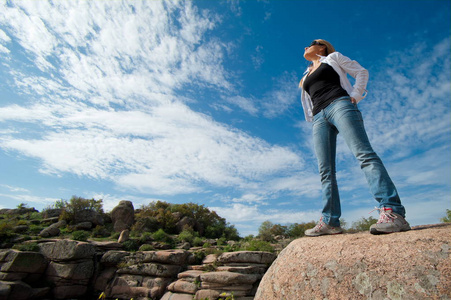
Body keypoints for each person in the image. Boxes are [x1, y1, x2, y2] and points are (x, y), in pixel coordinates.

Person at [298, 39, 411, 236]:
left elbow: (361, 72)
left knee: (364, 155)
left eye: (311, 43)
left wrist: (356, 95)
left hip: (339, 104)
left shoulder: (333, 58)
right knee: (325, 171)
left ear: (322, 46)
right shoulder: (305, 75)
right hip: (319, 117)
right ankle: (330, 222)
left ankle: (393, 212)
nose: (306, 46)